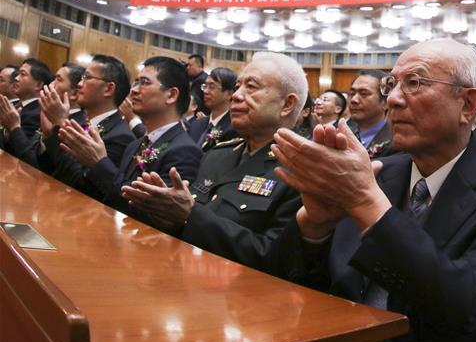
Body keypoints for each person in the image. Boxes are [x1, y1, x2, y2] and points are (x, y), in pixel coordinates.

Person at [270, 39, 476, 342]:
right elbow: (297, 286)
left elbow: (466, 306)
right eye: (391, 84)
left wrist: (366, 203)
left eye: (415, 83)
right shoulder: (379, 172)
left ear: (468, 104)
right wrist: (314, 226)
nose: (393, 99)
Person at [122, 52, 307, 269]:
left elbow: (275, 258)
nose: (236, 96)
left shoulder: (302, 170)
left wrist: (190, 215)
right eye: (237, 87)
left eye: (251, 87)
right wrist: (166, 216)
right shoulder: (217, 154)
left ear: (287, 104)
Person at [57, 56, 202, 214]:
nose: (134, 90)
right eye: (136, 82)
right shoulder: (134, 145)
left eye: (145, 83)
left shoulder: (185, 151)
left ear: (171, 95)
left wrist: (99, 163)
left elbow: (150, 212)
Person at [39, 54, 135, 195]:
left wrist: (60, 124)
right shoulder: (79, 122)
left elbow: (80, 185)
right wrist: (48, 135)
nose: (79, 84)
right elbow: (49, 169)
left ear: (108, 89)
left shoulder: (121, 136)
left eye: (87, 77)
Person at [0, 58, 53, 157]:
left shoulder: (37, 114)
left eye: (22, 74)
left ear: (38, 85)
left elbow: (19, 153)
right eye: (18, 74)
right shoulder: (17, 106)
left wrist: (10, 127)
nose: (16, 78)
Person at [187, 67, 237, 149]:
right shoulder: (196, 124)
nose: (205, 91)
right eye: (205, 86)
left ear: (229, 94)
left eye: (212, 87)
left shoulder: (234, 128)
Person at [348, 70, 393, 158]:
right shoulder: (343, 133)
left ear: (385, 102)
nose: (354, 100)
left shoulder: (396, 140)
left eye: (364, 94)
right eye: (352, 93)